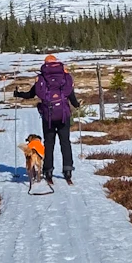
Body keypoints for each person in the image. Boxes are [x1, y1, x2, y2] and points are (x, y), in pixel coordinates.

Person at [14, 54, 81, 183]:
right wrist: (76, 105)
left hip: (48, 116)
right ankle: (67, 170)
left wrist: (18, 94)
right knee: (65, 142)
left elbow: (31, 94)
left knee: (49, 143)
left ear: (45, 64)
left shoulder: (42, 78)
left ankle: (48, 171)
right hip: (63, 115)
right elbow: (70, 94)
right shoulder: (64, 76)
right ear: (56, 62)